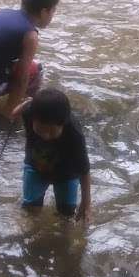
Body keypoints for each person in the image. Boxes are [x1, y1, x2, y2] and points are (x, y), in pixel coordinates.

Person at [17, 87, 91, 223]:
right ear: (33, 118)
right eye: (40, 129)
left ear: (63, 124)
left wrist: (86, 203)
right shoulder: (30, 113)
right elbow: (14, 113)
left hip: (66, 173)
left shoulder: (75, 135)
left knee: (67, 214)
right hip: (35, 166)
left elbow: (84, 171)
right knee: (30, 209)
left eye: (52, 132)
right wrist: (25, 104)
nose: (45, 135)